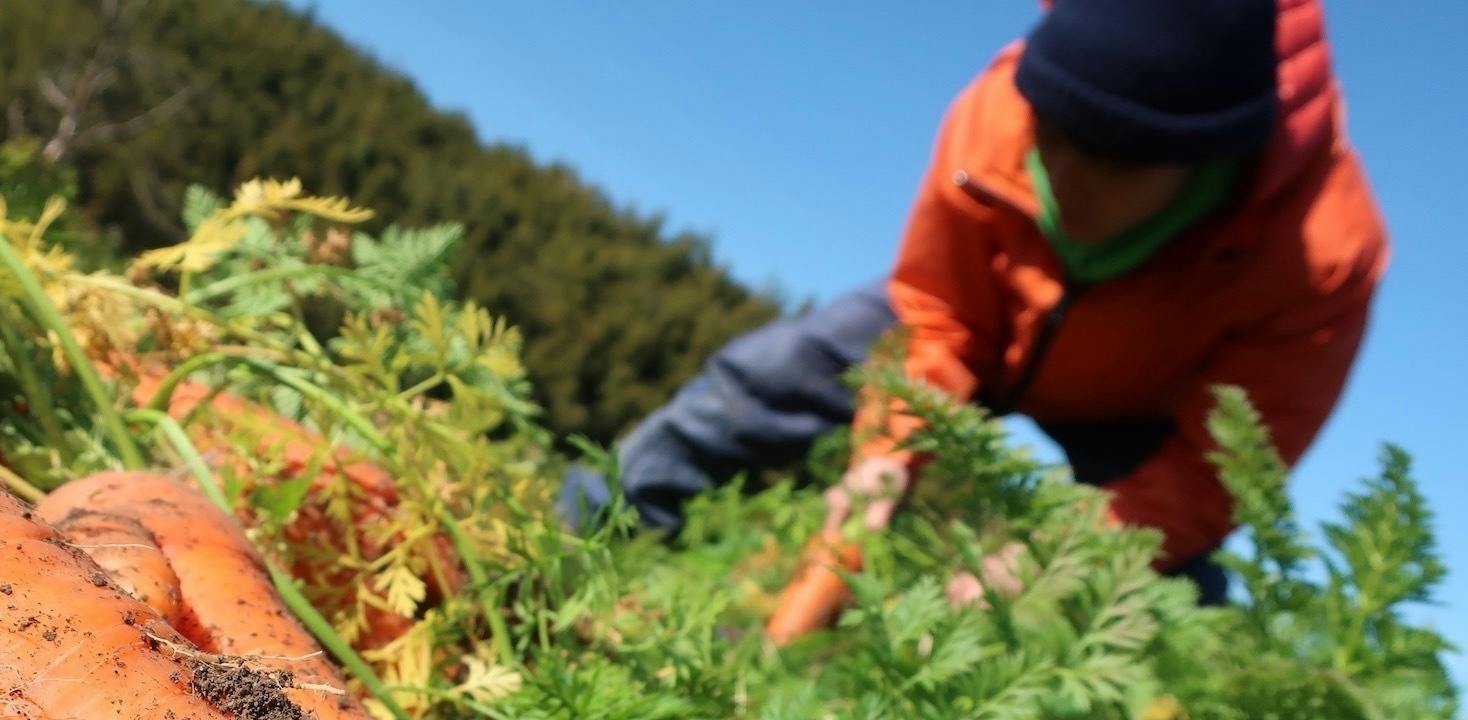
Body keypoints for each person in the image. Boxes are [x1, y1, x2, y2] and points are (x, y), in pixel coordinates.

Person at [559, 0, 1387, 605]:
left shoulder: (1323, 252)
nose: (1055, 174)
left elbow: (1215, 474)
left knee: (1180, 602)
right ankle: (559, 555)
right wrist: (888, 450)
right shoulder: (1000, 114)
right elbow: (934, 310)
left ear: (1205, 160)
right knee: (764, 378)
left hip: (1142, 415)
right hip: (973, 321)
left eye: (1105, 159)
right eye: (1052, 132)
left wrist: (1054, 557)